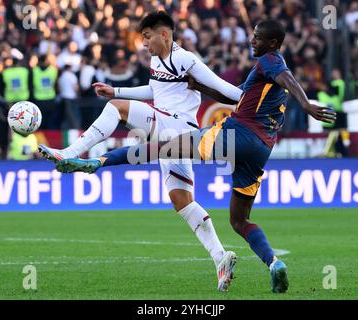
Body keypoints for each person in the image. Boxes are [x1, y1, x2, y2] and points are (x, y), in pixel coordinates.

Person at [55, 19, 337, 293]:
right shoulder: (264, 72)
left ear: (272, 43)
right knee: (239, 221)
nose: (252, 40)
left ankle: (99, 162)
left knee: (163, 147)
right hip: (262, 149)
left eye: (257, 37)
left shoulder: (271, 61)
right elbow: (239, 97)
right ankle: (274, 263)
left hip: (235, 135)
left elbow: (286, 78)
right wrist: (200, 88)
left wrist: (307, 104)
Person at [38, 11, 243, 292]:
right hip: (173, 136)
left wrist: (254, 99)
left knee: (116, 110)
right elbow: (154, 90)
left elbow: (227, 90)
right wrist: (117, 90)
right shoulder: (156, 60)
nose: (144, 43)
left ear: (165, 35)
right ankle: (221, 258)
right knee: (182, 202)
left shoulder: (186, 59)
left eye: (147, 37)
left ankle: (69, 152)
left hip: (176, 128)